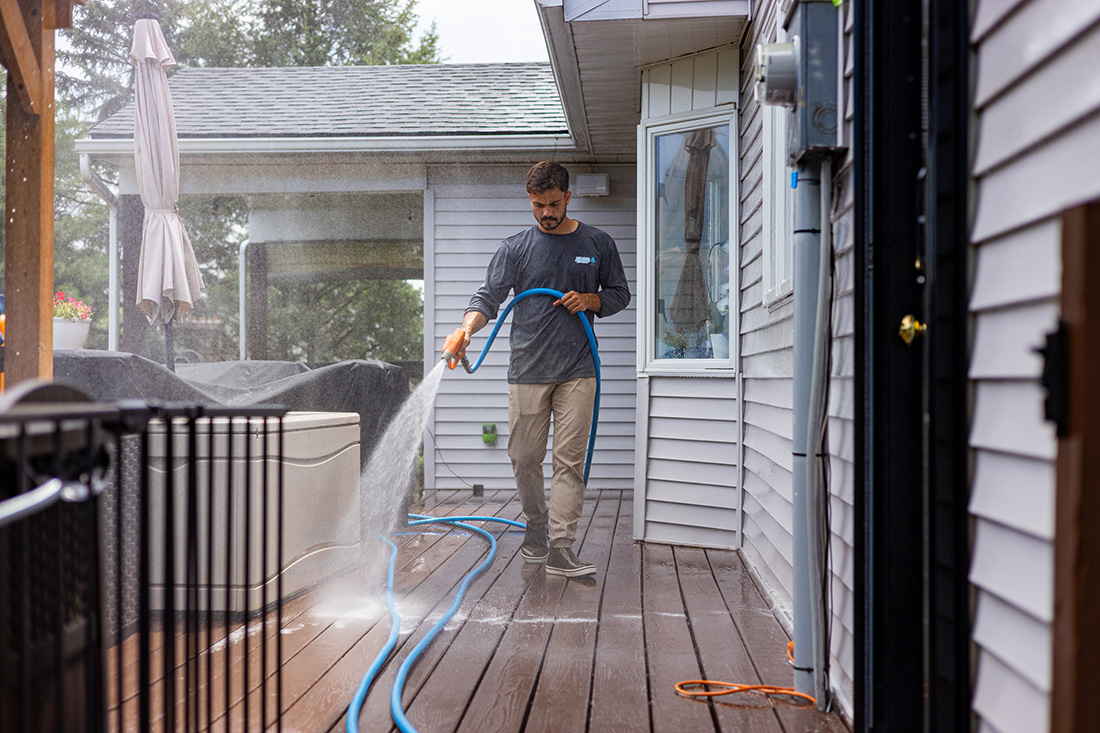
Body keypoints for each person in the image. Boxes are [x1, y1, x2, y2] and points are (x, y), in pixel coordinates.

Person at [444, 162, 630, 577]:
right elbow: (486, 298)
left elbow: (619, 294)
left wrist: (590, 300)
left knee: (569, 461)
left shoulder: (597, 242)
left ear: (568, 196)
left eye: (552, 204)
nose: (546, 212)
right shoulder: (515, 248)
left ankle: (561, 548)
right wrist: (465, 331)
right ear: (530, 202)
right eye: (537, 205)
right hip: (527, 369)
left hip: (578, 370)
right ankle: (537, 525)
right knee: (525, 458)